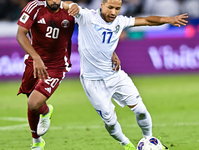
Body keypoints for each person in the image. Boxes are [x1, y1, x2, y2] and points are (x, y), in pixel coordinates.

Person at [63, 0, 188, 150]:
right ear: (102, 5)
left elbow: (147, 21)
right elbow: (64, 4)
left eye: (117, 8)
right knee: (110, 121)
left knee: (141, 110)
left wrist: (169, 19)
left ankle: (149, 138)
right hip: (93, 81)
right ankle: (126, 145)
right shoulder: (86, 16)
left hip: (115, 74)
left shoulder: (121, 21)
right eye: (110, 8)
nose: (113, 12)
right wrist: (72, 6)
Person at [16, 0, 119, 149]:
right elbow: (20, 34)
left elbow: (93, 30)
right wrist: (36, 58)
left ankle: (40, 132)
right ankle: (38, 137)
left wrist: (111, 52)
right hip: (34, 62)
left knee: (33, 103)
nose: (55, 1)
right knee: (33, 103)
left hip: (57, 65)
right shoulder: (35, 7)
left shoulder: (72, 10)